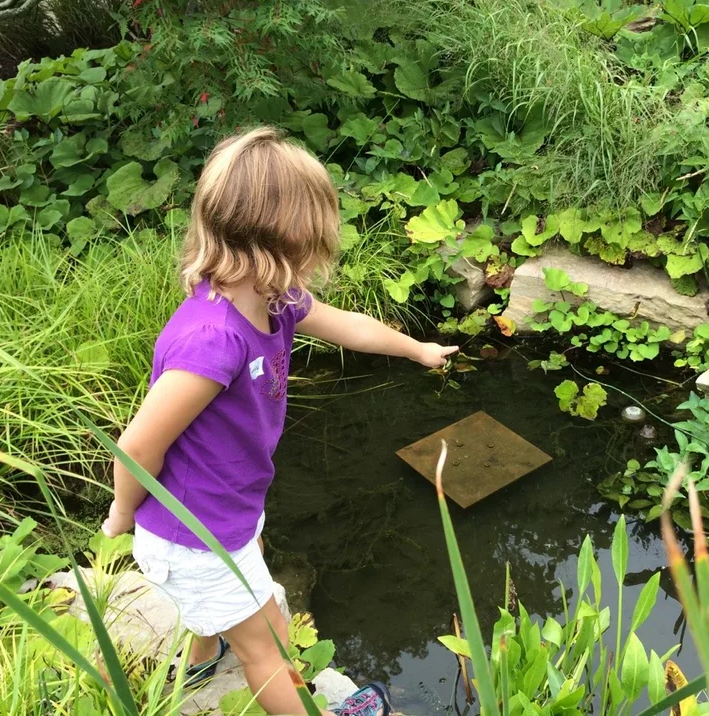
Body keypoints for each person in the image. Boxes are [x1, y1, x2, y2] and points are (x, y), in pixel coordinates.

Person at [101, 127, 457, 716]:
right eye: (316, 240)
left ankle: (199, 657)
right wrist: (121, 513)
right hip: (195, 532)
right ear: (285, 240)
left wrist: (416, 348)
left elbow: (350, 326)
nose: (319, 257)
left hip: (230, 500)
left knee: (252, 577)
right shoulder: (213, 342)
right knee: (266, 648)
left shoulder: (274, 298)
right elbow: (138, 447)